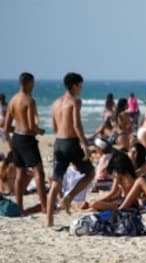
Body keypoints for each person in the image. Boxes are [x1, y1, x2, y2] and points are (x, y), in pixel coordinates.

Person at [46, 73, 95, 227]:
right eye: (80, 85)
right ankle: (69, 198)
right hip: (70, 143)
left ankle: (49, 221)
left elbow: (54, 126)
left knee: (56, 182)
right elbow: (76, 125)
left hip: (58, 143)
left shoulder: (55, 103)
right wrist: (85, 145)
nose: (81, 89)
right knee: (90, 173)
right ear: (74, 85)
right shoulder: (75, 101)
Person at [4, 72, 47, 214]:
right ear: (28, 83)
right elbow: (30, 126)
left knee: (20, 174)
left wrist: (11, 142)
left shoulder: (12, 100)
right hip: (27, 139)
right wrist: (40, 131)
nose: (33, 86)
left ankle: (20, 207)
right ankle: (45, 206)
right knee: (38, 173)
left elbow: (6, 127)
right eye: (33, 83)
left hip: (16, 138)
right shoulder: (29, 100)